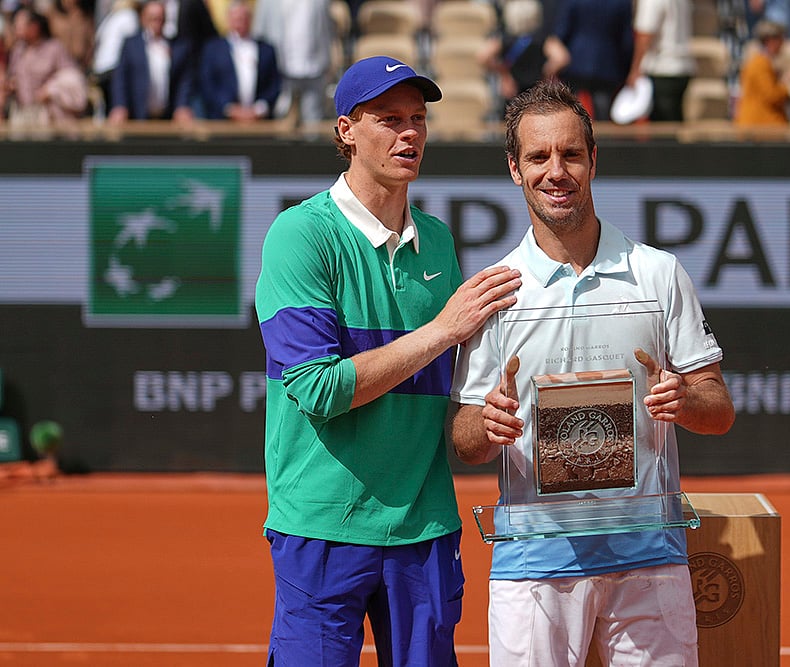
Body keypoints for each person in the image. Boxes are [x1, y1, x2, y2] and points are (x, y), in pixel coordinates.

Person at [448, 81, 735, 666]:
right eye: (538, 156)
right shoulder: (493, 292)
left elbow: (718, 408)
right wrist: (490, 423)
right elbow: (465, 440)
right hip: (534, 564)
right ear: (514, 169)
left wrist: (684, 399)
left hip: (649, 558)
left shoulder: (659, 275)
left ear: (593, 159)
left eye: (570, 153)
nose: (556, 171)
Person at [254, 55, 522, 666]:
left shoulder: (440, 242)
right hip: (321, 525)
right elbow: (319, 389)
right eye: (389, 119)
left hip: (423, 529)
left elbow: (459, 390)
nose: (409, 134)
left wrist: (495, 411)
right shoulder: (300, 236)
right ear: (347, 129)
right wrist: (441, 330)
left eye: (418, 119)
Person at [108, 0, 195, 123]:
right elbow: (121, 77)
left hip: (168, 116)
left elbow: (185, 80)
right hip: (137, 115)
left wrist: (182, 106)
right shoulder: (131, 45)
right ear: (143, 19)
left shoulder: (178, 47)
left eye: (160, 18)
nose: (157, 23)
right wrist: (120, 105)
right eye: (153, 18)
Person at [251, 0, 334, 125]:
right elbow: (260, 30)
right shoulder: (268, 2)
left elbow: (326, 29)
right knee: (281, 114)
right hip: (281, 68)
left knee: (313, 118)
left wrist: (327, 60)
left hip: (313, 68)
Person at [3, 7, 88, 126]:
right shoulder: (18, 51)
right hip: (23, 115)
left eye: (20, 25)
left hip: (49, 117)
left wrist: (50, 90)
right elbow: (12, 76)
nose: (16, 28)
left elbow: (72, 77)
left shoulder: (54, 49)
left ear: (34, 27)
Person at [198, 0, 280, 121]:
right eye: (236, 19)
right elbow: (208, 85)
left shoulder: (266, 50)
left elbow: (274, 84)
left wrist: (258, 109)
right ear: (229, 20)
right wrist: (230, 109)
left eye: (243, 18)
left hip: (259, 121)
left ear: (250, 20)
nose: (240, 23)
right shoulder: (213, 49)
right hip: (223, 121)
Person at [552, 0, 633, 121]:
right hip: (607, 62)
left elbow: (562, 30)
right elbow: (626, 40)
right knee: (603, 109)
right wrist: (627, 68)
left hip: (576, 60)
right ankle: (603, 138)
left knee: (573, 109)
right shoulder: (622, 3)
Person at [477, 0, 569, 102]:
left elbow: (483, 56)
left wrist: (503, 72)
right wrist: (546, 74)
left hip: (512, 92)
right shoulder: (543, 40)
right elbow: (562, 58)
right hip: (537, 91)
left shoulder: (505, 40)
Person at [625, 0, 694, 122]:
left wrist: (635, 69)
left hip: (662, 68)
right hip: (681, 66)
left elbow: (645, 34)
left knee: (663, 129)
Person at [735, 19, 790, 127]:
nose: (783, 43)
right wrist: (786, 85)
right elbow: (770, 96)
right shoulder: (760, 64)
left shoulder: (762, 62)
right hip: (759, 127)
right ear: (770, 41)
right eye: (781, 39)